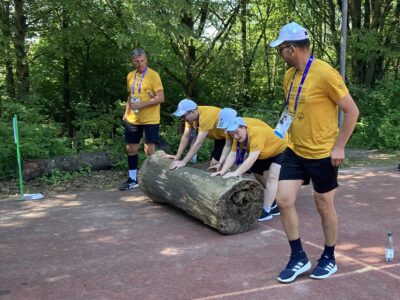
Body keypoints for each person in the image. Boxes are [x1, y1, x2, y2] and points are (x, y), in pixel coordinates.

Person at [270, 22, 359, 283]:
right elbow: (292, 109)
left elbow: (352, 111)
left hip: (322, 153)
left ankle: (329, 257)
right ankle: (298, 256)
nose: (279, 53)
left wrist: (339, 145)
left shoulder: (325, 74)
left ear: (292, 49)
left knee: (324, 205)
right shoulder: (289, 75)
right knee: (284, 200)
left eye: (281, 49)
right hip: (295, 150)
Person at [211, 108, 288, 221]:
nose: (235, 137)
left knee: (272, 177)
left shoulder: (256, 134)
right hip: (264, 151)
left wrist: (236, 172)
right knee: (257, 174)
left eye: (237, 133)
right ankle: (274, 203)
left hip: (282, 148)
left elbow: (251, 158)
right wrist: (222, 170)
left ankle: (266, 211)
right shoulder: (236, 136)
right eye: (233, 134)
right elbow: (232, 154)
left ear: (244, 127)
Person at [119, 48, 165, 191]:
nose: (140, 64)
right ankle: (133, 179)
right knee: (131, 149)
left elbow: (161, 98)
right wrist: (126, 113)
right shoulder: (130, 76)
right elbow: (130, 95)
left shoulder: (153, 75)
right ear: (132, 61)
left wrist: (142, 104)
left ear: (146, 59)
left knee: (149, 151)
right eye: (137, 61)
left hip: (150, 119)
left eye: (142, 60)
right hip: (133, 119)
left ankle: (154, 179)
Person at [166, 99, 226, 170]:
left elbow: (198, 143)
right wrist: (177, 156)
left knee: (215, 163)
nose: (183, 118)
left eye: (184, 116)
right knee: (213, 164)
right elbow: (185, 137)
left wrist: (183, 162)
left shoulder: (206, 116)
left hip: (230, 136)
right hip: (219, 136)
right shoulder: (189, 119)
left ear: (193, 111)